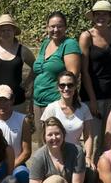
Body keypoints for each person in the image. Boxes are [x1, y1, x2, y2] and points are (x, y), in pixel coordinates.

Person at [78, 0, 111, 161]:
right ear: (93, 16)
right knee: (94, 141)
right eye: (97, 14)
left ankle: (109, 178)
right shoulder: (86, 36)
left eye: (104, 14)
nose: (101, 17)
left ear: (110, 16)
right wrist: (92, 100)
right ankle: (92, 178)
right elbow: (84, 70)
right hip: (93, 93)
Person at [32, 11, 81, 144]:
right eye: (52, 26)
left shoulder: (69, 44)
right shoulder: (46, 43)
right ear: (47, 27)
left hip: (55, 103)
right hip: (38, 103)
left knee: (56, 143)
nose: (55, 29)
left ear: (65, 27)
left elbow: (72, 76)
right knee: (42, 143)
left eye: (59, 26)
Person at [41, 71, 93, 160]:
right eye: (62, 85)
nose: (66, 88)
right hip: (56, 156)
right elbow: (44, 136)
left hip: (77, 155)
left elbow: (88, 136)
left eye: (70, 85)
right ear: (58, 87)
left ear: (75, 86)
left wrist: (88, 157)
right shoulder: (51, 108)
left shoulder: (84, 108)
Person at [0, 14, 35, 115]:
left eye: (9, 30)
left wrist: (26, 83)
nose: (6, 33)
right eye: (3, 30)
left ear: (14, 31)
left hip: (17, 99)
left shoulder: (23, 50)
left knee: (17, 128)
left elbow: (36, 67)